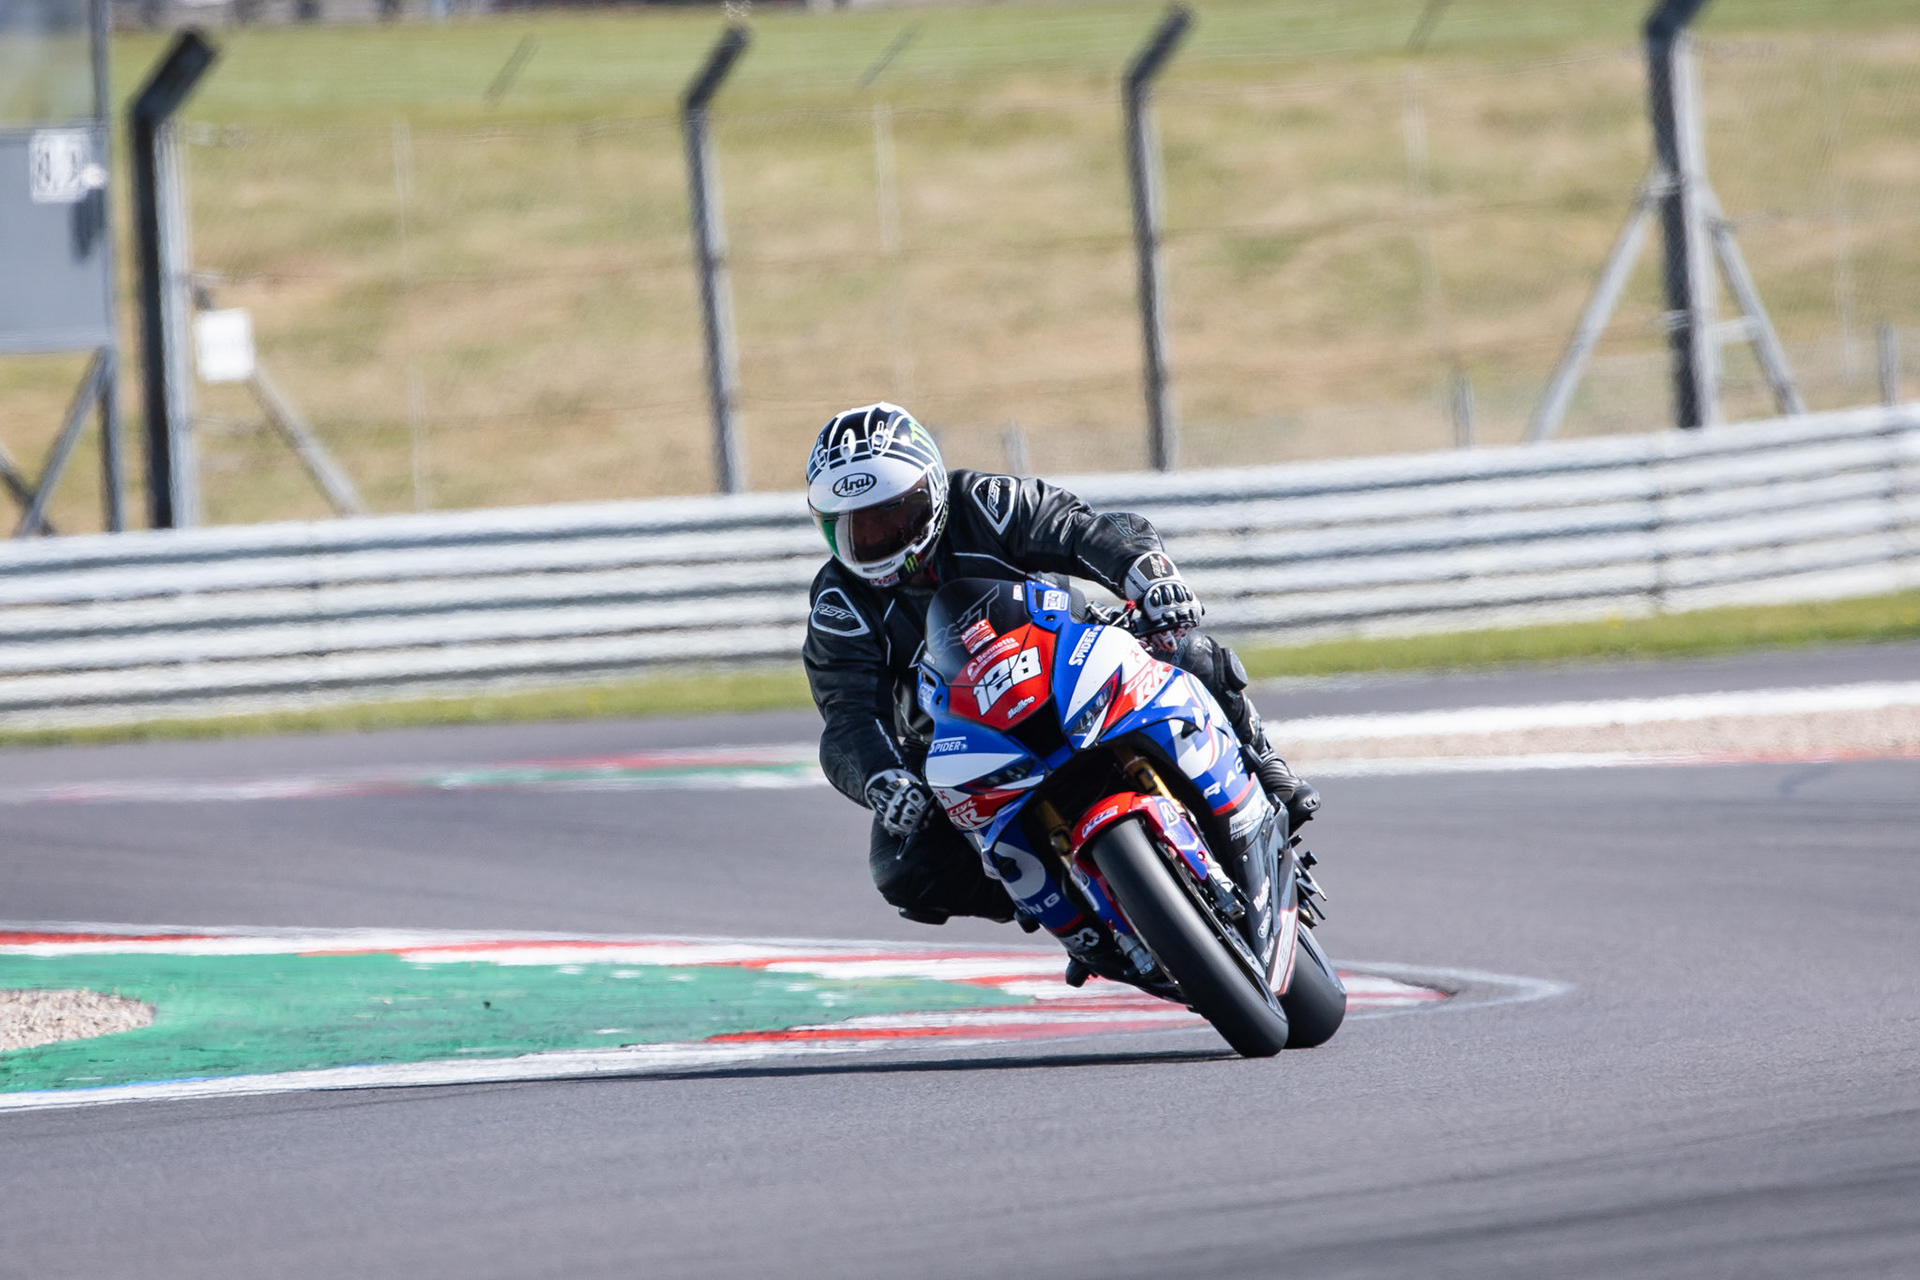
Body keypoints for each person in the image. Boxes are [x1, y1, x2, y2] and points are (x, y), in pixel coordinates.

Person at [802, 401, 1319, 932]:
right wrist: (881, 779)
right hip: (959, 739)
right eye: (854, 529)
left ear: (931, 492)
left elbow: (1076, 529)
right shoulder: (840, 603)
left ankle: (1264, 767)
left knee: (1182, 648)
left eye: (891, 516)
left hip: (1066, 659)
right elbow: (848, 715)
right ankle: (1053, 904)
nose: (875, 541)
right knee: (900, 866)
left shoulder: (982, 502)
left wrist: (1147, 575)